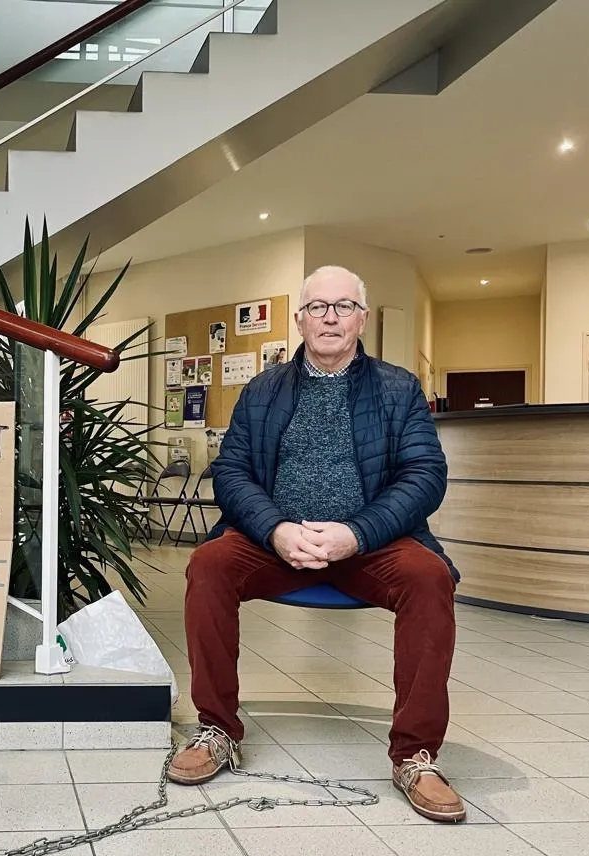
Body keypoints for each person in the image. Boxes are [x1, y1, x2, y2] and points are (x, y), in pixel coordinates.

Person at [168, 265, 465, 823]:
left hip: (369, 544)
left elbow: (426, 475)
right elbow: (231, 473)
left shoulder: (399, 388)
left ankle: (415, 755)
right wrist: (276, 529)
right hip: (274, 542)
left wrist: (357, 533)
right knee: (209, 565)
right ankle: (217, 730)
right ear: (301, 320)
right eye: (318, 307)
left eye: (343, 306)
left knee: (429, 578)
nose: (331, 317)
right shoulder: (262, 389)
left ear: (362, 319)